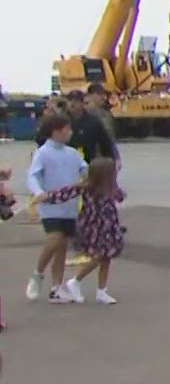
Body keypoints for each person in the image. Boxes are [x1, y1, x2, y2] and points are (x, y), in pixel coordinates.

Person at [39, 157, 126, 304]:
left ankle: (101, 291)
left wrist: (116, 189)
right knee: (99, 256)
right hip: (94, 226)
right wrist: (46, 197)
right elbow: (65, 193)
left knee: (107, 257)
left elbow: (121, 197)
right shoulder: (87, 186)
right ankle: (75, 281)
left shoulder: (111, 187)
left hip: (110, 225)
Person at [25, 113, 87, 304]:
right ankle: (37, 274)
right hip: (50, 206)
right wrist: (38, 192)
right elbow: (33, 176)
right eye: (67, 129)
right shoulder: (42, 153)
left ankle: (57, 288)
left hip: (69, 206)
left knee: (61, 248)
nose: (70, 132)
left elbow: (86, 170)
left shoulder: (72, 153)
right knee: (55, 239)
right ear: (56, 132)